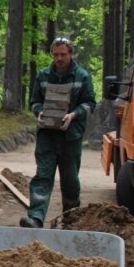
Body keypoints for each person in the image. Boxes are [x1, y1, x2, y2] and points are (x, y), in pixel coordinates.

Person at [20, 37, 96, 229]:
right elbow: (35, 101)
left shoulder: (82, 76)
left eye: (63, 54)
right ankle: (35, 218)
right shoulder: (43, 75)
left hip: (71, 138)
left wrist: (73, 115)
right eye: (55, 55)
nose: (59, 58)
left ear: (71, 54)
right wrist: (39, 113)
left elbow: (90, 104)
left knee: (70, 180)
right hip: (47, 137)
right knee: (43, 177)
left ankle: (70, 220)